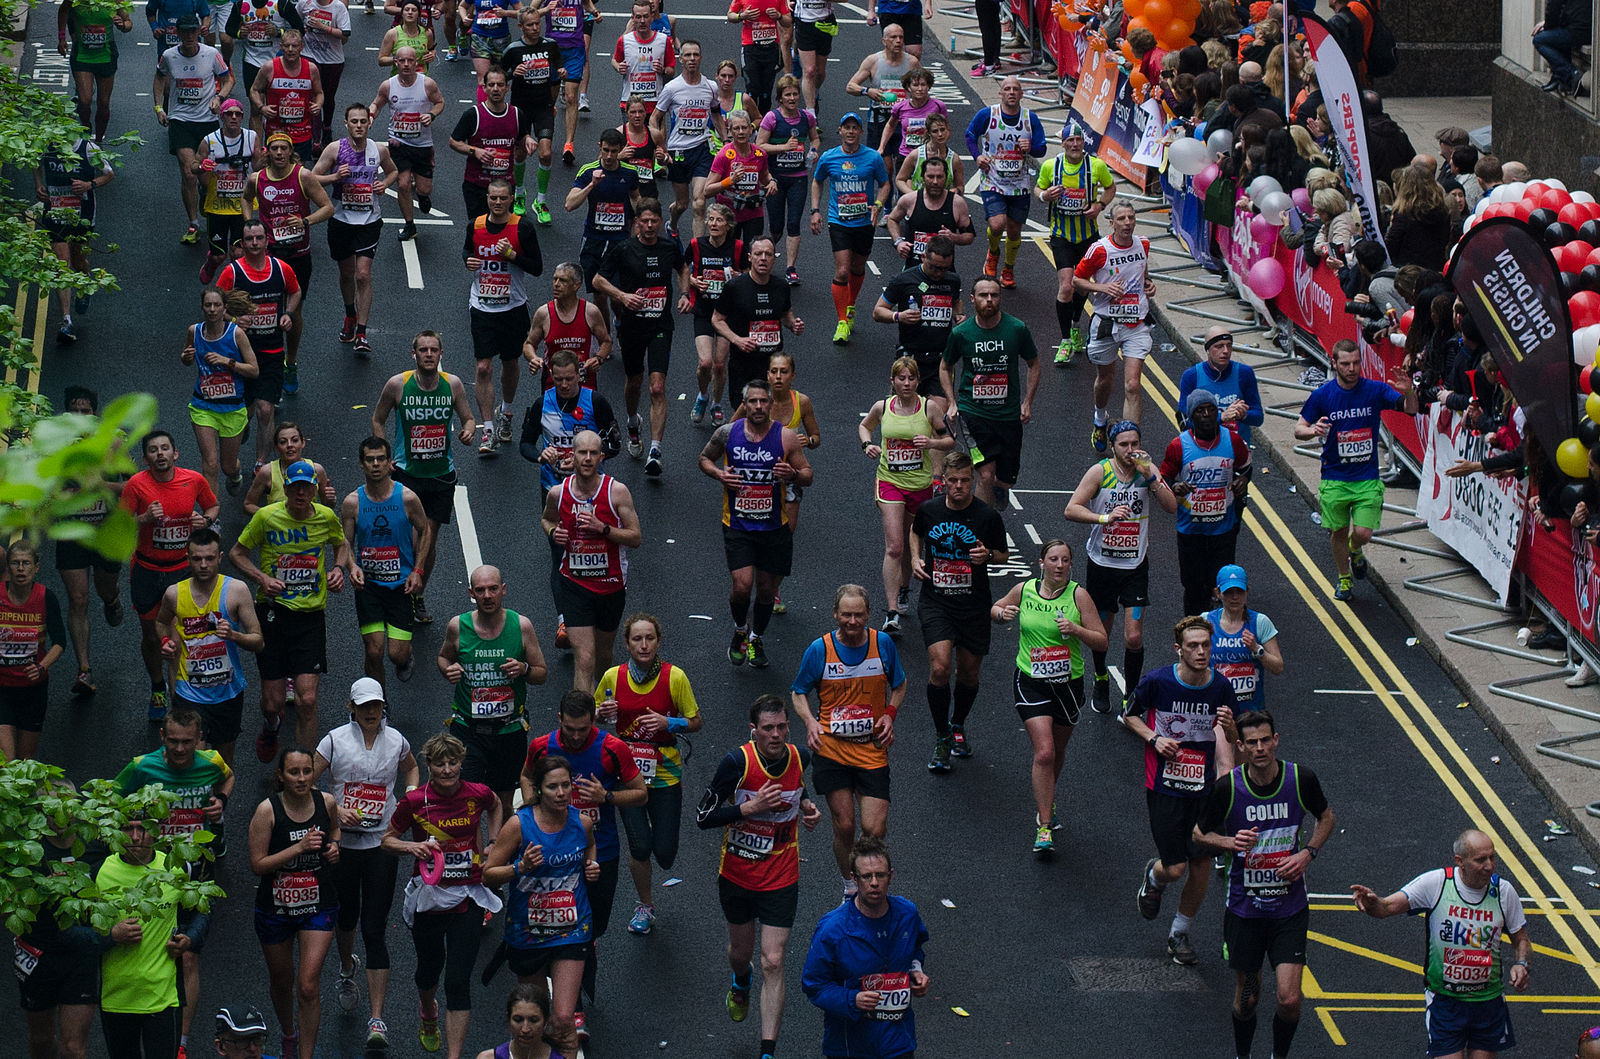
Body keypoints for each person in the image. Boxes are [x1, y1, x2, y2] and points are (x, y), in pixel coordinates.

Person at [1195, 710, 1334, 1059]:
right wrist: (1229, 843)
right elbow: (1199, 833)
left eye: (1265, 740)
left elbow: (1326, 817)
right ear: (1240, 745)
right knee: (1248, 999)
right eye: (1252, 743)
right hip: (1245, 910)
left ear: (1276, 740)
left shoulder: (1300, 779)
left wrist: (1307, 854)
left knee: (1289, 999)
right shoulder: (1228, 787)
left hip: (1289, 909)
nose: (1260, 748)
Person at [697, 693, 821, 1059]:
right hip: (737, 875)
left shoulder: (801, 757)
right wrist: (747, 808)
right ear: (754, 731)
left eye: (782, 726)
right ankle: (740, 979)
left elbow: (799, 787)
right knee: (742, 954)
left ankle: (767, 1051)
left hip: (782, 876)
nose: (777, 735)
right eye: (768, 728)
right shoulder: (736, 762)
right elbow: (704, 817)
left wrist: (808, 806)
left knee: (773, 959)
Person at [521, 691, 648, 1034]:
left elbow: (640, 793)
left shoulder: (612, 748)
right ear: (559, 718)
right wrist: (535, 811)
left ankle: (569, 970)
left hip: (601, 851)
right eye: (570, 728)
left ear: (594, 720)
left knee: (596, 926)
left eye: (583, 729)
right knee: (570, 925)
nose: (576, 736)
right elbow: (526, 777)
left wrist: (606, 796)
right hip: (557, 856)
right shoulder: (543, 746)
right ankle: (570, 1002)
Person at [1351, 830, 1532, 1059]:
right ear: (1460, 861)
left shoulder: (1503, 892)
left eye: (1492, 857)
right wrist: (1372, 902)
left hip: (1488, 1002)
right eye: (1480, 860)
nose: (1489, 865)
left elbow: (1521, 938)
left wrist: (1522, 964)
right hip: (1446, 1002)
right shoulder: (1437, 883)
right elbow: (1386, 908)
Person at [1125, 616, 1239, 967]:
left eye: (1206, 645)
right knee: (1176, 869)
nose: (1201, 651)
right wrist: (1155, 739)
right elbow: (1129, 714)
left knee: (1202, 866)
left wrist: (1232, 729)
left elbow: (1232, 740)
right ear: (1179, 650)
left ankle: (1179, 933)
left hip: (1204, 792)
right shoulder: (1158, 681)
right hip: (1165, 788)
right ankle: (1155, 876)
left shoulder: (1221, 688)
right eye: (1193, 646)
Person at [381, 733, 503, 1059]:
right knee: (429, 970)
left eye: (453, 763)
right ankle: (427, 1010)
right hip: (430, 897)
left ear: (461, 762)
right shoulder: (414, 801)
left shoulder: (476, 793)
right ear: (429, 766)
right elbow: (387, 840)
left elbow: (496, 804)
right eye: (440, 764)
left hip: (469, 895)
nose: (448, 770)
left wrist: (493, 842)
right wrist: (413, 846)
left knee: (459, 981)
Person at [312, 677, 418, 1048]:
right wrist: (336, 808)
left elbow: (411, 768)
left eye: (376, 705)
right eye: (364, 706)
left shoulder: (396, 740)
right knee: (346, 917)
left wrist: (408, 799)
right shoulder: (334, 739)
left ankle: (377, 1020)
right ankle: (345, 968)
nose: (372, 712)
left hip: (380, 844)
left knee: (374, 927)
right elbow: (308, 781)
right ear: (351, 707)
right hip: (342, 845)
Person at [113, 708, 228, 1049]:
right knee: (154, 946)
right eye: (173, 742)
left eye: (187, 743)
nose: (180, 750)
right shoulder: (142, 766)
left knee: (189, 953)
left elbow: (228, 778)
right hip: (154, 866)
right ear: (162, 738)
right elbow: (110, 800)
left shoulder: (212, 761)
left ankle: (181, 1042)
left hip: (198, 865)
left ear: (199, 739)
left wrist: (220, 801)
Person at [990, 539, 1107, 854]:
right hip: (1030, 680)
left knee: (1057, 750)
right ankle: (1044, 826)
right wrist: (1002, 614)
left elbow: (1101, 641)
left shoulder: (1078, 595)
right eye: (1053, 559)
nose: (1059, 565)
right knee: (1044, 752)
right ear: (1041, 563)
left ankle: (1047, 798)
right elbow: (996, 607)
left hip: (1068, 684)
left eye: (1065, 560)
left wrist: (1077, 630)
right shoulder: (1025, 589)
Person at [790, 584, 905, 899]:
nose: (852, 622)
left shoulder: (882, 645)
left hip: (871, 750)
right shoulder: (819, 650)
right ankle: (850, 885)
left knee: (875, 829)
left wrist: (890, 715)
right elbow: (798, 691)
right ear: (835, 614)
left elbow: (899, 684)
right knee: (845, 825)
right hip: (833, 751)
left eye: (858, 615)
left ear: (868, 614)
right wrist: (810, 721)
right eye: (846, 615)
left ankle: (873, 878)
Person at [229, 458, 350, 757]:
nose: (300, 494)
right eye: (294, 488)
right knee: (273, 703)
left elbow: (341, 543)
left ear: (314, 490)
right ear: (286, 488)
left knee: (307, 700)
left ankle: (302, 769)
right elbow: (237, 553)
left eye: (306, 489)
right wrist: (262, 577)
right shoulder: (267, 517)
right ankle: (271, 727)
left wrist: (338, 569)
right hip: (272, 614)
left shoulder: (325, 517)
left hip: (310, 616)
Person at [482, 754, 598, 1057]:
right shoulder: (518, 826)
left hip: (571, 930)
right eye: (552, 787)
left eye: (566, 786)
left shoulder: (582, 822)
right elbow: (488, 874)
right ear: (537, 790)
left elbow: (589, 846)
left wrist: (591, 865)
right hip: (528, 932)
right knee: (535, 1022)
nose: (561, 793)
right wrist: (519, 868)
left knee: (562, 1018)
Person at [1063, 420, 1176, 714]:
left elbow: (1171, 505)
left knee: (1134, 636)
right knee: (1102, 633)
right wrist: (1104, 518)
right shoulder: (1100, 472)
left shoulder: (1146, 471)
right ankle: (1101, 677)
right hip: (1102, 564)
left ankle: (1131, 693)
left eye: (1134, 444)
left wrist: (1151, 476)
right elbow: (1071, 508)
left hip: (1135, 565)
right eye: (1123, 445)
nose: (1130, 450)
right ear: (1112, 445)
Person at [596, 613, 699, 935]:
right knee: (640, 846)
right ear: (626, 643)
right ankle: (645, 905)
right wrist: (602, 713)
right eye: (637, 639)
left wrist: (672, 724)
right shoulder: (613, 676)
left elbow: (695, 721)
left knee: (665, 854)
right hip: (627, 775)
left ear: (658, 641)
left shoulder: (675, 678)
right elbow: (596, 715)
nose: (643, 645)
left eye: (649, 638)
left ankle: (655, 873)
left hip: (666, 774)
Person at [700, 379, 814, 668]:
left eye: (764, 401)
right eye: (753, 402)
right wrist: (719, 475)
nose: (759, 406)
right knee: (741, 586)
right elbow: (704, 458)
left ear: (771, 405)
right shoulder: (727, 433)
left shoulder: (786, 437)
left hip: (774, 527)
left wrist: (792, 474)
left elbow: (807, 475)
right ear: (745, 405)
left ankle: (756, 637)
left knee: (765, 590)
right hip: (737, 525)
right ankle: (740, 629)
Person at [1293, 339, 1418, 600]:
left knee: (1362, 532)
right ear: (1334, 363)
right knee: (1337, 531)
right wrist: (1312, 430)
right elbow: (1298, 428)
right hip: (1335, 477)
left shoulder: (1374, 390)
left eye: (1356, 363)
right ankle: (1344, 578)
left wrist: (1409, 391)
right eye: (1346, 364)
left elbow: (1411, 410)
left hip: (1366, 478)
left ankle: (1355, 549)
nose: (1352, 368)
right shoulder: (1323, 395)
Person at [909, 450, 1007, 769]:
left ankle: (958, 724)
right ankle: (941, 737)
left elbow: (1003, 555)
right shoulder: (930, 510)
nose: (960, 487)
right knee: (939, 668)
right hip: (936, 600)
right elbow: (916, 531)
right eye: (954, 481)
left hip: (973, 604)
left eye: (966, 480)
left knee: (968, 672)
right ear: (945, 481)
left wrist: (987, 555)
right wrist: (914, 558)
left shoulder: (987, 517)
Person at [371, 330, 477, 623]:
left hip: (441, 475)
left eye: (434, 350)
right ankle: (397, 589)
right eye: (423, 350)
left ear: (441, 354)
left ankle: (416, 595)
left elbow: (468, 417)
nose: (428, 354)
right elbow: (378, 418)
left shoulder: (452, 384)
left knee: (428, 540)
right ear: (414, 354)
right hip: (407, 474)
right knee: (410, 539)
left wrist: (468, 429)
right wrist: (383, 453)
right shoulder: (398, 385)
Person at [121, 428, 221, 722]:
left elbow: (213, 505)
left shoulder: (193, 480)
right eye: (154, 450)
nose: (160, 454)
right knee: (152, 637)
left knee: (176, 637)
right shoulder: (136, 485)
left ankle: (179, 700)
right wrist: (144, 519)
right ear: (146, 458)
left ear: (175, 453)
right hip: (147, 570)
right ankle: (157, 687)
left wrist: (206, 520)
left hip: (180, 569)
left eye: (165, 448)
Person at [248, 746, 341, 1059]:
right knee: (282, 980)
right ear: (281, 776)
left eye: (306, 772)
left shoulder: (325, 802)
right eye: (294, 772)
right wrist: (298, 848)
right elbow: (258, 864)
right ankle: (289, 1034)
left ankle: (305, 1054)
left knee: (307, 986)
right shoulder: (267, 811)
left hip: (318, 904)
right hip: (275, 908)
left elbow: (336, 830)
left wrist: (334, 848)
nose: (301, 778)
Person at [801, 837, 930, 1059]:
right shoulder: (833, 929)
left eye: (880, 875)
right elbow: (814, 986)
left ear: (891, 876)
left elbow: (915, 949)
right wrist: (852, 999)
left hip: (898, 1042)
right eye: (866, 876)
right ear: (854, 878)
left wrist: (916, 971)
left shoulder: (907, 914)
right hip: (851, 1046)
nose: (874, 883)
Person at [438, 564, 548, 817]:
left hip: (508, 730)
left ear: (503, 590)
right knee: (468, 802)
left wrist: (524, 668)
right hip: (468, 730)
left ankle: (500, 853)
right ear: (471, 593)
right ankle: (476, 855)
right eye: (480, 590)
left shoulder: (521, 626)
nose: (487, 596)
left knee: (503, 804)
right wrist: (448, 669)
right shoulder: (458, 626)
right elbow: (443, 657)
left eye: (493, 589)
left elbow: (541, 674)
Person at [592, 198, 690, 477]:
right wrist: (622, 296)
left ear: (660, 222)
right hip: (631, 326)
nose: (649, 226)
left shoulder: (669, 247)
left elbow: (683, 269)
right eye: (644, 221)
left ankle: (656, 450)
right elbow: (598, 280)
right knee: (634, 380)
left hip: (660, 324)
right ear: (636, 222)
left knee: (657, 387)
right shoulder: (624, 249)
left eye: (654, 221)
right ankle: (633, 421)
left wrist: (684, 294)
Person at [539, 429, 641, 690]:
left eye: (592, 453)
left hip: (611, 585)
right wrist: (554, 532)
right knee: (584, 656)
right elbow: (547, 518)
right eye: (582, 453)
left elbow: (635, 537)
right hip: (574, 585)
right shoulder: (558, 493)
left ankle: (602, 696)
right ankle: (584, 721)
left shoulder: (617, 492)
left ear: (601, 458)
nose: (587, 458)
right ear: (572, 456)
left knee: (603, 655)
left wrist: (603, 528)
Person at [155, 527, 265, 767]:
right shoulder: (174, 594)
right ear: (188, 559)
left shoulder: (236, 591)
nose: (203, 564)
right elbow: (161, 622)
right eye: (197, 559)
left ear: (220, 558)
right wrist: (166, 642)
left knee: (222, 765)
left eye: (209, 558)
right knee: (194, 760)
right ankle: (194, 805)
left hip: (228, 692)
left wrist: (234, 635)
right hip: (190, 692)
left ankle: (218, 803)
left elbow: (258, 641)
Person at [860, 357, 952, 632]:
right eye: (901, 378)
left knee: (914, 545)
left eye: (911, 378)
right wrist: (867, 445)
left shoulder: (929, 408)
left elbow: (950, 440)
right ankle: (891, 613)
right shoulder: (882, 407)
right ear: (893, 381)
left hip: (920, 485)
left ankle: (903, 589)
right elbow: (865, 426)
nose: (906, 383)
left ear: (917, 381)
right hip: (889, 481)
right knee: (895, 546)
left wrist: (931, 442)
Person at [243, 133, 333, 397]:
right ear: (267, 152)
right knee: (264, 309)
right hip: (267, 255)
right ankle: (261, 361)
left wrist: (305, 221)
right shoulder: (256, 179)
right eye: (274, 149)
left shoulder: (303, 176)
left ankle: (290, 363)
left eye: (284, 148)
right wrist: (250, 226)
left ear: (290, 152)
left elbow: (327, 208)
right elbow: (246, 199)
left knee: (292, 312)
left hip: (297, 254)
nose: (279, 153)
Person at [940, 275, 1040, 507]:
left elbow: (1034, 364)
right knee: (985, 474)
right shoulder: (961, 333)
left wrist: (1027, 402)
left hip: (1008, 415)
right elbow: (945, 366)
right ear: (973, 299)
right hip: (973, 413)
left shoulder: (1016, 329)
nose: (989, 300)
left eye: (994, 295)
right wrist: (952, 402)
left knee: (1004, 482)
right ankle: (983, 533)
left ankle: (994, 502)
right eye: (984, 295)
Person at [463, 178, 545, 458]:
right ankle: (488, 429)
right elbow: (467, 251)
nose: (497, 203)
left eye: (502, 199)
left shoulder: (522, 227)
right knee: (484, 367)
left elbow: (537, 268)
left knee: (510, 362)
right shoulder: (475, 226)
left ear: (511, 199)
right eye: (492, 198)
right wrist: (468, 261)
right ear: (487, 198)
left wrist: (512, 255)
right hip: (482, 307)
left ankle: (507, 412)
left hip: (513, 307)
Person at [341, 436, 432, 686]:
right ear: (361, 464)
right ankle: (378, 702)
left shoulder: (407, 498)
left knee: (396, 654)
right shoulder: (352, 502)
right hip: (368, 587)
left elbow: (426, 531)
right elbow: (344, 542)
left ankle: (406, 657)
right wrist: (352, 565)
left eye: (381, 459)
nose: (376, 464)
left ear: (390, 463)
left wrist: (417, 570)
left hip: (401, 585)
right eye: (370, 460)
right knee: (373, 650)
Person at [95, 818, 188, 1059]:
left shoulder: (176, 868)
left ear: (157, 831)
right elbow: (74, 933)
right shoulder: (99, 871)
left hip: (164, 998)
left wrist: (190, 938)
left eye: (143, 828)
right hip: (117, 998)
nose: (136, 836)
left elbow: (202, 912)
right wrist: (111, 937)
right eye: (128, 828)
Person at [53, 388, 124, 698]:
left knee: (104, 589)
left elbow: (130, 485)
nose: (80, 416)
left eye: (86, 411)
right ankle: (84, 669)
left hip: (105, 532)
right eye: (74, 410)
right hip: (72, 533)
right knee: (78, 600)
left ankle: (111, 600)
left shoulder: (113, 443)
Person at [312, 102, 398, 358]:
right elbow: (312, 177)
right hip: (340, 220)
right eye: (354, 122)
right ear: (346, 124)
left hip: (369, 221)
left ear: (369, 123)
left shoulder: (378, 150)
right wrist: (335, 177)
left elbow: (393, 171)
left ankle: (362, 331)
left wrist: (384, 184)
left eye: (363, 121)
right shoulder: (335, 149)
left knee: (363, 275)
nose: (359, 126)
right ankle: (350, 313)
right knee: (347, 274)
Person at [1158, 389, 1252, 618]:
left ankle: (1221, 630)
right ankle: (1191, 626)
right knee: (1193, 585)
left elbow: (1246, 467)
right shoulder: (1178, 446)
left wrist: (1242, 481)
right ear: (1191, 417)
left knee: (1220, 584)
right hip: (1191, 529)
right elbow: (1164, 478)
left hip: (1223, 527)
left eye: (1211, 409)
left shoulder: (1233, 441)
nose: (1207, 414)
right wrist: (1175, 487)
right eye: (1200, 411)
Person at [215, 221, 303, 458]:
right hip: (240, 354)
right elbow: (214, 305)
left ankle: (261, 464)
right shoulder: (232, 272)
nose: (254, 243)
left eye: (258, 238)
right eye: (249, 239)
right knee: (247, 411)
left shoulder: (281, 268)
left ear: (266, 241)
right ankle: (241, 427)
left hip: (272, 352)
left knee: (266, 410)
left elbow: (295, 291)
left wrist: (288, 313)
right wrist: (233, 320)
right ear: (242, 244)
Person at [1074, 199, 1157, 437]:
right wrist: (1103, 288)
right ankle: (1100, 418)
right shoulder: (1099, 250)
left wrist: (1149, 284)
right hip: (1106, 323)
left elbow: (1143, 272)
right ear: (1111, 223)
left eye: (1131, 217)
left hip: (1136, 323)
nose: (1127, 223)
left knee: (1132, 384)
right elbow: (1076, 281)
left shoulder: (1143, 244)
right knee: (1105, 379)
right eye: (1121, 218)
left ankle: (1131, 443)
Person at [1037, 120, 1114, 364]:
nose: (1074, 144)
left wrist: (1099, 205)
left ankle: (1075, 324)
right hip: (1061, 235)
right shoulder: (1051, 166)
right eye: (1070, 141)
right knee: (1067, 286)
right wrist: (1044, 195)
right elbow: (1038, 189)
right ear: (1063, 144)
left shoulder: (1096, 166)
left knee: (1082, 286)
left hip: (1088, 236)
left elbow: (1110, 188)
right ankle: (1065, 341)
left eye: (1078, 140)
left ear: (1084, 143)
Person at [153, 15, 233, 245]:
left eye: (192, 32)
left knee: (206, 179)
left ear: (198, 32)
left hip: (207, 121)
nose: (189, 36)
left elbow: (227, 80)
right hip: (180, 121)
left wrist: (220, 98)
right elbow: (159, 78)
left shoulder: (211, 54)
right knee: (189, 172)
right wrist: (159, 107)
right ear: (178, 33)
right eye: (184, 32)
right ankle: (193, 223)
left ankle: (204, 197)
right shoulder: (169, 55)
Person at [810, 112, 889, 345]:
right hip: (839, 220)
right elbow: (817, 181)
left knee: (857, 266)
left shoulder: (873, 158)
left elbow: (885, 184)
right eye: (847, 128)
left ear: (860, 132)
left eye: (855, 127)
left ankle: (851, 304)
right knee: (842, 271)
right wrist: (815, 210)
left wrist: (877, 205)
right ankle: (842, 321)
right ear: (840, 131)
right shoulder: (828, 157)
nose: (851, 131)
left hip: (864, 221)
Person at [965, 77, 1045, 289]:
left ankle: (1008, 268)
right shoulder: (988, 115)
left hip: (1019, 183)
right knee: (997, 224)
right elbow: (970, 135)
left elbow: (1042, 148)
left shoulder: (1030, 118)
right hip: (993, 180)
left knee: (1014, 230)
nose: (1011, 92)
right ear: (1000, 93)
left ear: (1021, 94)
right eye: (1007, 89)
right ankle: (993, 254)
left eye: (1015, 89)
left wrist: (1031, 148)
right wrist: (977, 157)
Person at [182, 286, 261, 499]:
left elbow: (254, 370)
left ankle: (235, 475)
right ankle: (212, 515)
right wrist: (186, 358)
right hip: (203, 407)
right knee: (210, 463)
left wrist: (228, 361)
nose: (212, 309)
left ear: (225, 308)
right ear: (202, 308)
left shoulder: (236, 334)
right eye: (208, 305)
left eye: (217, 305)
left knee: (227, 466)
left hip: (232, 408)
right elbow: (187, 357)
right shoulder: (194, 331)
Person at [36, 136, 113, 346]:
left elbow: (109, 174)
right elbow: (34, 161)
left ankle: (84, 280)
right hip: (55, 211)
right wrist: (39, 185)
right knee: (62, 265)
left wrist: (89, 184)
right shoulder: (46, 143)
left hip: (82, 212)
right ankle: (66, 320)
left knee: (79, 260)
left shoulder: (88, 147)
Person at [565, 131, 643, 337]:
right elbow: (569, 204)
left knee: (617, 297)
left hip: (620, 241)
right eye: (605, 150)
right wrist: (592, 185)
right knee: (599, 296)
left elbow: (636, 198)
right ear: (599, 146)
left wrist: (641, 223)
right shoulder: (588, 171)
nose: (609, 156)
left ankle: (618, 318)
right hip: (594, 240)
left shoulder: (629, 172)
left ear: (620, 150)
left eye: (614, 152)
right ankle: (605, 339)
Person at [713, 235, 805, 408]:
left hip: (772, 365)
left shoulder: (781, 287)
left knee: (771, 412)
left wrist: (793, 324)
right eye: (758, 254)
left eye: (768, 254)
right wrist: (737, 340)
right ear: (750, 257)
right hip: (743, 363)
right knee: (744, 412)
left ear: (774, 258)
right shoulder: (734, 288)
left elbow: (786, 314)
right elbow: (717, 319)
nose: (763, 258)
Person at [0, 540, 68, 763]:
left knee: (26, 760)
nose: (21, 569)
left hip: (33, 689)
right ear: (8, 568)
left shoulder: (46, 598)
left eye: (26, 563)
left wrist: (42, 666)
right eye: (15, 563)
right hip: (2, 688)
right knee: (7, 761)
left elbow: (60, 642)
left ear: (36, 567)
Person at [369, 45, 445, 242]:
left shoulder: (427, 84)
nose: (406, 64)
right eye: (401, 60)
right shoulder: (388, 85)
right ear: (396, 62)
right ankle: (410, 225)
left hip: (422, 145)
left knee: (423, 188)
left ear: (416, 62)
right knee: (402, 185)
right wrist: (370, 116)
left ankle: (424, 197)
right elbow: (377, 103)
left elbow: (440, 102)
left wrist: (431, 114)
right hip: (398, 142)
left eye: (410, 61)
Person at [871, 234, 961, 397]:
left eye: (944, 268)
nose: (939, 273)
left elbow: (955, 302)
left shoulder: (953, 280)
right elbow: (878, 311)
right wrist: (899, 316)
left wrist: (958, 316)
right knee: (905, 412)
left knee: (939, 416)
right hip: (910, 357)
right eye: (934, 267)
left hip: (940, 360)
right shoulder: (903, 280)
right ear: (923, 257)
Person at [520, 348, 620, 488]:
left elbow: (614, 445)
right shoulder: (541, 404)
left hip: (590, 487)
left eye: (569, 379)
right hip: (552, 485)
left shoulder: (596, 402)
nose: (564, 385)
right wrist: (540, 457)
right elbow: (526, 443)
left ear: (578, 375)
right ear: (551, 375)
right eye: (558, 379)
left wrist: (584, 457)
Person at [500, 9, 564, 221]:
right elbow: (497, 78)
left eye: (537, 24)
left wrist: (561, 75)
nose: (535, 28)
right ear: (521, 27)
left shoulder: (550, 46)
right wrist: (511, 74)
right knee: (520, 153)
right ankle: (519, 194)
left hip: (543, 107)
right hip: (520, 109)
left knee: (545, 153)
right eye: (530, 25)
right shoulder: (513, 49)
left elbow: (557, 74)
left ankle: (541, 201)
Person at [652, 39, 719, 239]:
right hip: (678, 151)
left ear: (701, 58)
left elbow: (715, 113)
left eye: (695, 55)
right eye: (687, 55)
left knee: (699, 203)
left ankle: (697, 254)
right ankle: (672, 223)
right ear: (681, 59)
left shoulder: (711, 86)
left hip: (702, 148)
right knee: (682, 204)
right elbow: (655, 118)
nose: (692, 59)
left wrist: (725, 141)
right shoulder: (672, 88)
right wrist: (660, 147)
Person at [688, 203, 748, 424]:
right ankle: (703, 395)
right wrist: (692, 283)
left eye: (718, 220)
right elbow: (684, 270)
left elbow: (748, 274)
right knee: (705, 363)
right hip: (704, 311)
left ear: (728, 225)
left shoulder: (738, 247)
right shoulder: (696, 245)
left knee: (720, 364)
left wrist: (738, 275)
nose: (713, 224)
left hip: (727, 315)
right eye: (711, 220)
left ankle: (716, 403)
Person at [755, 75, 817, 286]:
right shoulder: (771, 118)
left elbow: (814, 137)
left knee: (793, 223)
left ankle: (791, 268)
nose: (792, 98)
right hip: (775, 178)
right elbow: (760, 145)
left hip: (798, 177)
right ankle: (765, 257)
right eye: (787, 95)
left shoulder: (806, 118)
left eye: (795, 94)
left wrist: (814, 150)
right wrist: (783, 148)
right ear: (780, 98)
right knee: (777, 226)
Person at [195, 100, 263, 285]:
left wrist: (264, 160)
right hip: (217, 207)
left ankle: (235, 292)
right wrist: (202, 167)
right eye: (229, 113)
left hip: (242, 205)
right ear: (222, 116)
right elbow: (194, 166)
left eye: (238, 114)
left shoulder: (251, 137)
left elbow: (257, 165)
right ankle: (211, 263)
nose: (234, 117)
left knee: (238, 253)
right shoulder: (209, 140)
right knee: (219, 256)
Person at [450, 68, 528, 223]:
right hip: (477, 185)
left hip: (505, 187)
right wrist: (474, 151)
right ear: (484, 88)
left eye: (500, 85)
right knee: (478, 230)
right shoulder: (473, 115)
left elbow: (522, 137)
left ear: (507, 87)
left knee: (503, 231)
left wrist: (528, 140)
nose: (496, 89)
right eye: (491, 85)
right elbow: (454, 141)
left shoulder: (517, 114)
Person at [1206, 564, 1283, 714]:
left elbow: (1278, 667)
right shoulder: (1206, 622)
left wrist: (1257, 649)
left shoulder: (1260, 622)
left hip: (1251, 713)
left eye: (1239, 591)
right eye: (1229, 592)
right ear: (1218, 593)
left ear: (1247, 591)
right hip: (1215, 710)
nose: (1235, 597)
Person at [58, 0, 134, 144]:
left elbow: (129, 23)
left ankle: (99, 142)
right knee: (85, 100)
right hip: (82, 55)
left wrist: (122, 25)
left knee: (104, 103)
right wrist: (62, 38)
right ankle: (86, 129)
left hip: (106, 56)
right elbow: (63, 11)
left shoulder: (114, 2)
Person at [884, 155, 973, 272]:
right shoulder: (910, 200)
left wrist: (954, 237)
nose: (935, 182)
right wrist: (898, 242)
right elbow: (892, 219)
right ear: (923, 177)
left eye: (939, 177)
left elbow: (969, 236)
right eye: (931, 177)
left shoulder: (957, 203)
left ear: (946, 178)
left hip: (944, 271)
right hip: (914, 269)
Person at [1177, 326, 1264, 444]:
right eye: (1219, 346)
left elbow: (1258, 418)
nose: (1226, 351)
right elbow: (1184, 422)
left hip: (1237, 450)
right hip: (1202, 449)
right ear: (1207, 349)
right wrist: (1221, 417)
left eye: (1229, 345)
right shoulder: (1192, 376)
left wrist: (1243, 415)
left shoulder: (1244, 373)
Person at [249, 29, 322, 164]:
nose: (290, 50)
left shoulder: (311, 69)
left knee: (298, 172)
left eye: (294, 46)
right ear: (281, 46)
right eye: (287, 46)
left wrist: (318, 105)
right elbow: (254, 89)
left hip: (302, 132)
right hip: (276, 132)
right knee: (275, 170)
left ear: (301, 47)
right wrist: (261, 107)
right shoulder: (269, 67)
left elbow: (319, 93)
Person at [845, 24, 917, 154]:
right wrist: (867, 91)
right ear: (884, 41)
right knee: (883, 164)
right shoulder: (873, 61)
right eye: (894, 37)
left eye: (901, 37)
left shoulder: (912, 62)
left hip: (904, 118)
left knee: (905, 160)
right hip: (880, 118)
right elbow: (850, 86)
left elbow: (924, 86)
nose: (898, 41)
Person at [706, 112, 774, 245]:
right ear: (730, 131)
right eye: (736, 128)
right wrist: (729, 181)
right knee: (730, 254)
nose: (741, 132)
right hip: (728, 214)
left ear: (750, 129)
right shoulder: (723, 155)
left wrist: (772, 182)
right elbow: (707, 190)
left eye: (744, 127)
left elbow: (765, 177)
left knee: (752, 252)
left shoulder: (760, 154)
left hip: (754, 212)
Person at [242, 421, 335, 515]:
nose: (289, 445)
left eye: (294, 440)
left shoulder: (317, 470)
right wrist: (271, 516)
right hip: (278, 528)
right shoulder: (267, 472)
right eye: (283, 442)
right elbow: (248, 504)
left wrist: (331, 499)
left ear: (303, 443)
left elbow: (327, 506)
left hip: (309, 526)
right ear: (276, 447)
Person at [543, 0, 589, 164]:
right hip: (553, 48)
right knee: (550, 99)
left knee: (571, 97)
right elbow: (530, 11)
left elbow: (588, 4)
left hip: (575, 50)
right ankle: (547, 128)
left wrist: (594, 12)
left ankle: (569, 144)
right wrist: (547, 9)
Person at [297, 0, 349, 143]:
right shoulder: (304, 4)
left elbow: (345, 34)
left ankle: (327, 126)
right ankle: (315, 138)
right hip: (310, 54)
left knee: (328, 96)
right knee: (314, 96)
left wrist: (323, 27)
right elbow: (295, 22)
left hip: (332, 59)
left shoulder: (338, 7)